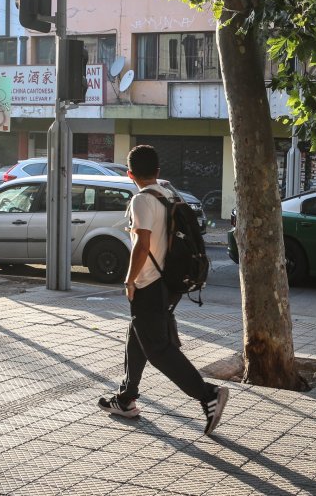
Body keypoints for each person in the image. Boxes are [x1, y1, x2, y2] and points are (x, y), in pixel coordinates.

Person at [98, 145, 229, 435]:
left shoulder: (142, 200)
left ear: (130, 173)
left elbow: (142, 245)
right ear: (158, 171)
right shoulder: (169, 194)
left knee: (157, 349)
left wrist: (129, 280)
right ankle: (126, 398)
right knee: (138, 337)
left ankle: (207, 394)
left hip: (149, 283)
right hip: (170, 282)